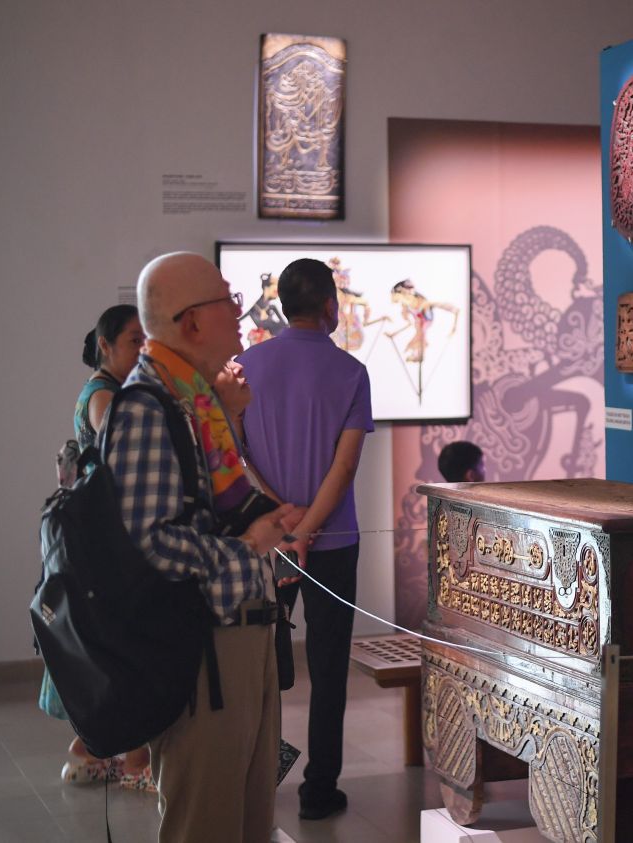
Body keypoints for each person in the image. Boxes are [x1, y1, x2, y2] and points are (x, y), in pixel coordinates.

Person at [107, 252, 299, 842]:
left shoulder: (194, 399)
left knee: (246, 818)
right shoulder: (147, 408)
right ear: (191, 323)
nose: (241, 314)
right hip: (203, 650)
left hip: (243, 634)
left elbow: (218, 503)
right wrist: (249, 546)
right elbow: (148, 542)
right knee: (206, 823)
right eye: (228, 302)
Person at [237, 257, 374, 821]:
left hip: (264, 538)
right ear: (328, 306)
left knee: (254, 666)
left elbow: (237, 458)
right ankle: (319, 790)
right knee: (328, 666)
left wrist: (282, 521)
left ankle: (252, 785)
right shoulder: (350, 372)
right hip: (333, 541)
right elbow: (343, 470)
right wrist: (310, 529)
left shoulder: (243, 366)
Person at [47, 304, 156, 791]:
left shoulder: (108, 389)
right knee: (130, 651)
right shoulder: (105, 395)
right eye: (134, 341)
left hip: (111, 539)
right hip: (114, 543)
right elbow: (125, 455)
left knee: (127, 651)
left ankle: (108, 752)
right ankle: (124, 758)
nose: (142, 349)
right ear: (106, 345)